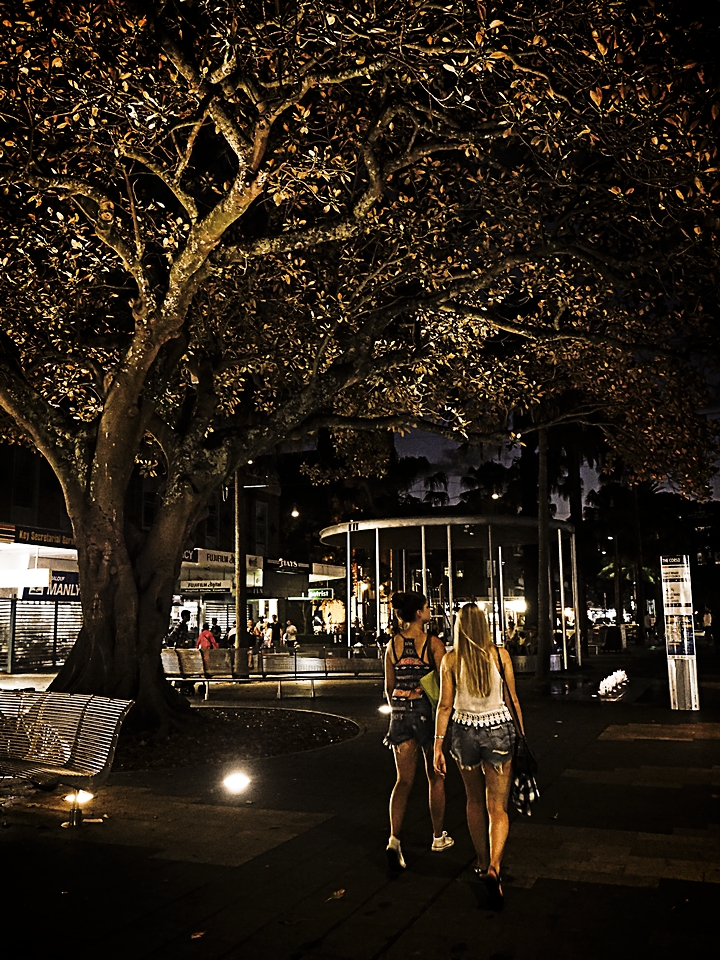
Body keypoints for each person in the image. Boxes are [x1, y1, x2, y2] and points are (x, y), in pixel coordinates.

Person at [434, 603, 524, 909]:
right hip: (499, 730)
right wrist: (522, 737)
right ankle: (495, 867)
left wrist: (437, 745)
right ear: (484, 624)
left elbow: (445, 705)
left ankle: (482, 862)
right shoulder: (500, 654)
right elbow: (512, 700)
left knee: (473, 801)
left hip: (463, 731)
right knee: (497, 806)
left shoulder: (451, 659)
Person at [384, 590, 452, 871]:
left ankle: (394, 840)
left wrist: (398, 707)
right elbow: (446, 682)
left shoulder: (393, 645)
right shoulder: (432, 644)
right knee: (435, 776)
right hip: (426, 712)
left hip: (399, 714)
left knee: (403, 781)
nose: (430, 611)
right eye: (427, 607)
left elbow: (388, 686)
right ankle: (438, 837)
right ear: (418, 613)